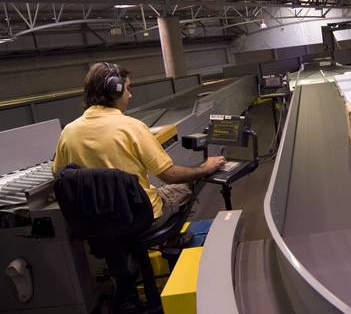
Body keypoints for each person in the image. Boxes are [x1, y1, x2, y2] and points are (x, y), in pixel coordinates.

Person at [53, 62, 225, 227]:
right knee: (185, 187)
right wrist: (205, 168)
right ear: (115, 91)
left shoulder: (68, 132)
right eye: (127, 88)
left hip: (96, 223)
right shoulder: (132, 127)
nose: (130, 95)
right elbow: (170, 175)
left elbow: (59, 174)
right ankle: (172, 240)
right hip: (140, 217)